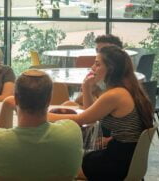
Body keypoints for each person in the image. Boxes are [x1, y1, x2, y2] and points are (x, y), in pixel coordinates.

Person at [48, 45, 153, 180]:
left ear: (111, 69)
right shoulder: (127, 89)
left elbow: (82, 119)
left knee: (62, 165)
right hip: (127, 156)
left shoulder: (115, 95)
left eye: (97, 64)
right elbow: (91, 116)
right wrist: (87, 87)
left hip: (116, 164)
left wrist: (44, 114)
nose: (92, 68)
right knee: (75, 155)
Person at [0, 70, 83, 180]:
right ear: (49, 100)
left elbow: (0, 136)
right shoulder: (72, 133)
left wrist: (6, 105)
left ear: (16, 99)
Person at [64, 34, 124, 107]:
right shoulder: (94, 73)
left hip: (97, 112)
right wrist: (89, 89)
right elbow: (78, 101)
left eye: (105, 51)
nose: (99, 54)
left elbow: (92, 113)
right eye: (97, 51)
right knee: (68, 104)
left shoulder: (120, 83)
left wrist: (96, 90)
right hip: (91, 110)